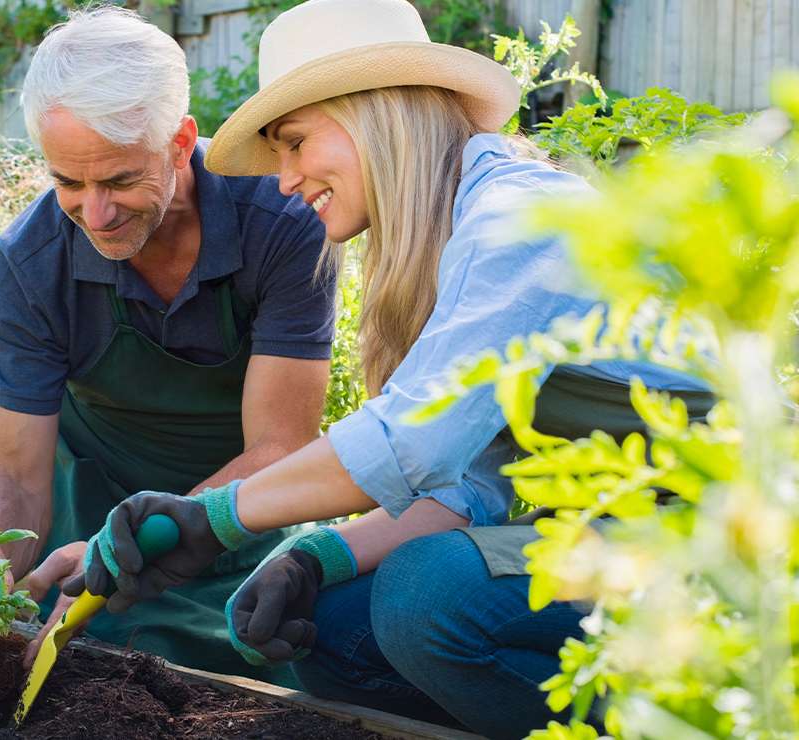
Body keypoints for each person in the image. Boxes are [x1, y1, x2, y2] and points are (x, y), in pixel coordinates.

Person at [70, 0, 715, 736]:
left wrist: (215, 518)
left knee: (424, 593)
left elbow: (410, 441)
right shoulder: (454, 239)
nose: (283, 179)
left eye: (296, 142)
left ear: (376, 113)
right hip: (616, 548)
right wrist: (317, 557)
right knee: (328, 621)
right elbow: (475, 489)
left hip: (722, 546)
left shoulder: (522, 222)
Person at [0, 6, 335, 681]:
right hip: (87, 524)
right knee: (86, 675)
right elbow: (16, 476)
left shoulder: (280, 224)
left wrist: (142, 544)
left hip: (242, 516)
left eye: (119, 180)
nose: (96, 213)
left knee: (277, 680)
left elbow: (280, 447)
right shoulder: (32, 264)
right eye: (67, 182)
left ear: (180, 143)